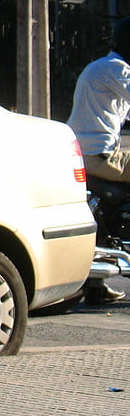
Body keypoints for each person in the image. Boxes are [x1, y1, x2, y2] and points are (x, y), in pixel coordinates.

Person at [67, 15, 130, 303]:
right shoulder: (116, 68)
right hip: (99, 155)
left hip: (87, 152)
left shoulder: (101, 67)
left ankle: (95, 287)